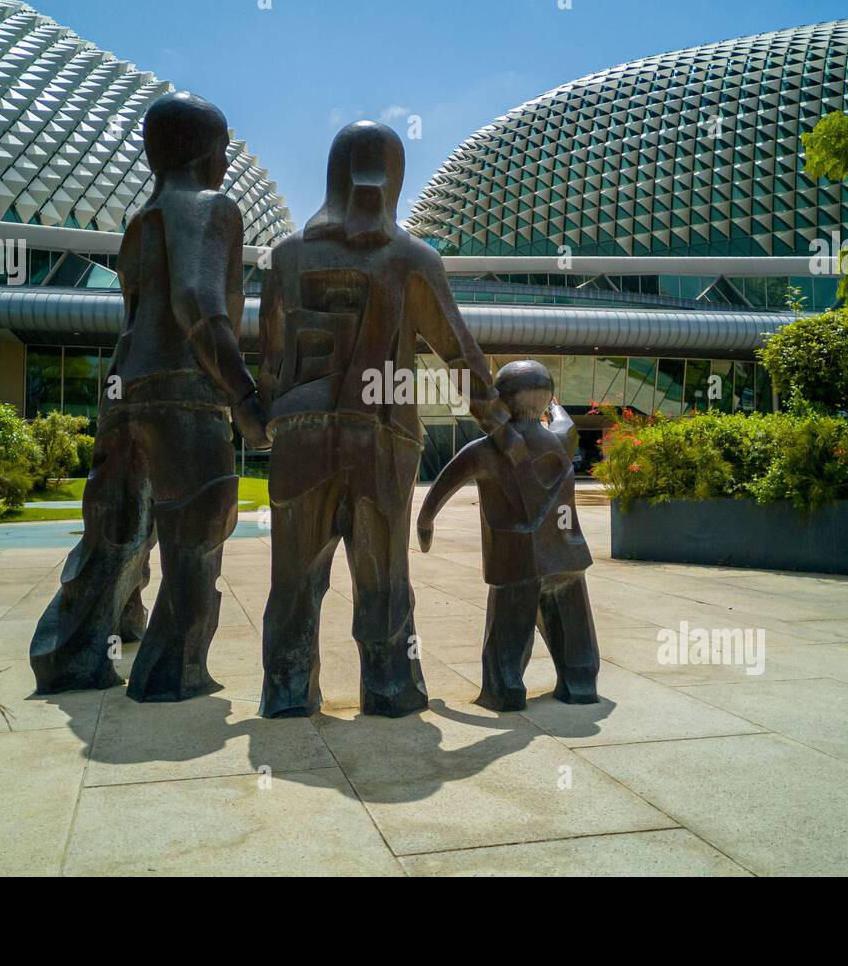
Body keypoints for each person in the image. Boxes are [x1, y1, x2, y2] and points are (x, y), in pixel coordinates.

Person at [257, 120, 521, 718]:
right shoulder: (409, 258)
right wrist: (502, 429)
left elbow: (271, 360)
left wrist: (258, 417)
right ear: (394, 179)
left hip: (299, 437)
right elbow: (458, 355)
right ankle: (390, 687)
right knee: (383, 576)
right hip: (382, 434)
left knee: (294, 578)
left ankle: (287, 692)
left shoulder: (287, 258)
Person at [30, 92, 269, 702]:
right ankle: (172, 672)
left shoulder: (142, 220)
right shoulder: (210, 206)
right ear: (211, 152)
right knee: (199, 529)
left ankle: (69, 654)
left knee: (116, 528)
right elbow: (198, 303)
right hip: (183, 391)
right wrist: (242, 393)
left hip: (126, 386)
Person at [417, 360, 600, 711]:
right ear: (545, 401)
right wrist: (554, 405)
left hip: (516, 559)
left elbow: (439, 490)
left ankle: (505, 690)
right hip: (566, 556)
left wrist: (425, 524)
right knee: (573, 627)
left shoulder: (483, 451)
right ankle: (579, 684)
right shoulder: (562, 438)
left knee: (508, 633)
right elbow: (565, 420)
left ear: (500, 402)